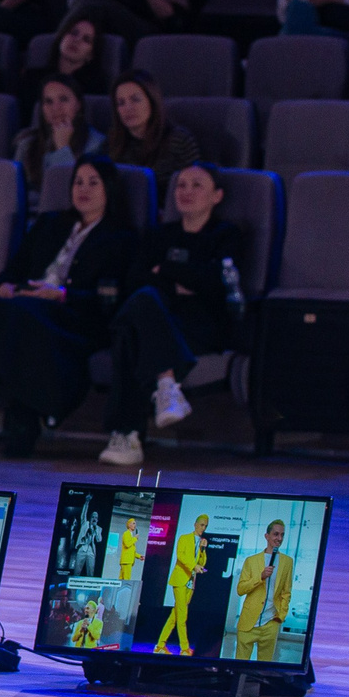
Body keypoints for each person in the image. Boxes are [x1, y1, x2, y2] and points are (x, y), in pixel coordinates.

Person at [0, 156, 139, 458]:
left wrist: (61, 294)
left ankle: (23, 419)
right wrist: (4, 286)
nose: (83, 189)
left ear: (109, 189)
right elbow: (15, 269)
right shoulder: (50, 224)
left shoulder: (121, 238)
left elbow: (110, 298)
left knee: (20, 319)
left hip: (74, 315)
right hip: (25, 306)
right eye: (78, 182)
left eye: (93, 183)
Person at [97, 161, 247, 468]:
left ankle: (127, 433)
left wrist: (164, 270)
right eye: (180, 185)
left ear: (216, 195)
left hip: (201, 323)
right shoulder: (158, 235)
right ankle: (166, 386)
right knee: (141, 309)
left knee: (134, 327)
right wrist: (181, 281)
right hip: (162, 318)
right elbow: (135, 280)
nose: (186, 192)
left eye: (197, 185)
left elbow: (216, 284)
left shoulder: (226, 235)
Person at [13, 74, 104, 212]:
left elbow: (70, 195)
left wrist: (62, 148)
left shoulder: (97, 144)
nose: (56, 108)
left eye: (63, 99)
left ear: (78, 104)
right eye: (48, 102)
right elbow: (14, 194)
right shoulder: (27, 144)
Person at [103, 70, 199, 181]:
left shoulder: (179, 140)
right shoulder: (112, 142)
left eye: (135, 100)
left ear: (152, 101)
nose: (128, 108)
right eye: (121, 103)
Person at [233, 519, 295, 662]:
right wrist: (260, 577)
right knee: (240, 666)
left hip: (270, 624)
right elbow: (241, 589)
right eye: (276, 534)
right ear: (267, 536)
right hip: (248, 623)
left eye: (282, 535)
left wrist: (281, 616)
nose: (279, 538)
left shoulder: (287, 562)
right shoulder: (251, 561)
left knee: (264, 669)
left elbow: (286, 592)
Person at [21, 13, 113, 107]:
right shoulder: (32, 78)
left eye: (86, 39)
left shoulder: (94, 87)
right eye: (74, 33)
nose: (76, 40)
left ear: (91, 55)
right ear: (62, 37)